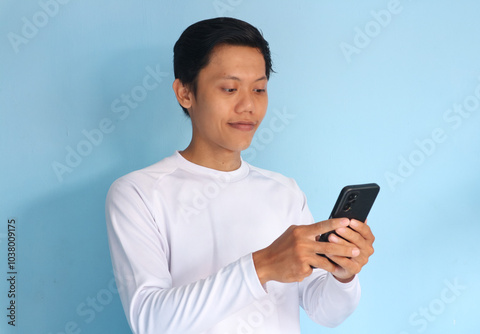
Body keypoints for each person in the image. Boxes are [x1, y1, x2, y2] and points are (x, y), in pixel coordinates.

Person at [105, 17, 375, 334]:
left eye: (259, 89)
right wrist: (264, 264)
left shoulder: (284, 191)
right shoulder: (137, 193)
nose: (248, 105)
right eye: (230, 89)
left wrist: (343, 274)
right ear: (185, 93)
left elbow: (325, 312)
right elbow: (151, 321)